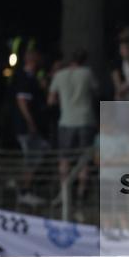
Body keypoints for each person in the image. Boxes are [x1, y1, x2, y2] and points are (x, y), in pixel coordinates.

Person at [48, 49, 98, 201]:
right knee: (84, 158)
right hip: (85, 119)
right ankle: (82, 191)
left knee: (64, 158)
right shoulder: (87, 73)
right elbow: (96, 91)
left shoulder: (59, 75)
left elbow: (51, 100)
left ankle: (65, 193)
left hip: (66, 121)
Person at [12, 49, 49, 207]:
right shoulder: (23, 78)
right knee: (32, 157)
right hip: (25, 127)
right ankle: (24, 190)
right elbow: (22, 101)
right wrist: (30, 122)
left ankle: (22, 185)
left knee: (41, 151)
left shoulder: (32, 78)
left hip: (31, 125)